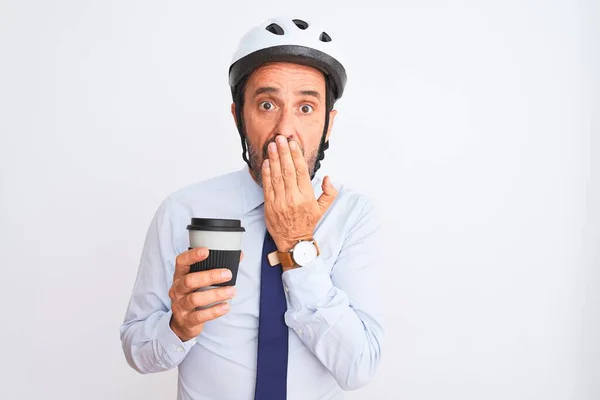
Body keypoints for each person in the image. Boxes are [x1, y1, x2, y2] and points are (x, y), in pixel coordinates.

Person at [120, 16, 385, 400]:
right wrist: (177, 326)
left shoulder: (354, 216)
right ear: (239, 117)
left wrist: (298, 245)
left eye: (306, 108)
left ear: (328, 124)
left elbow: (358, 367)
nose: (284, 130)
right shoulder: (183, 210)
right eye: (266, 104)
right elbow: (138, 352)